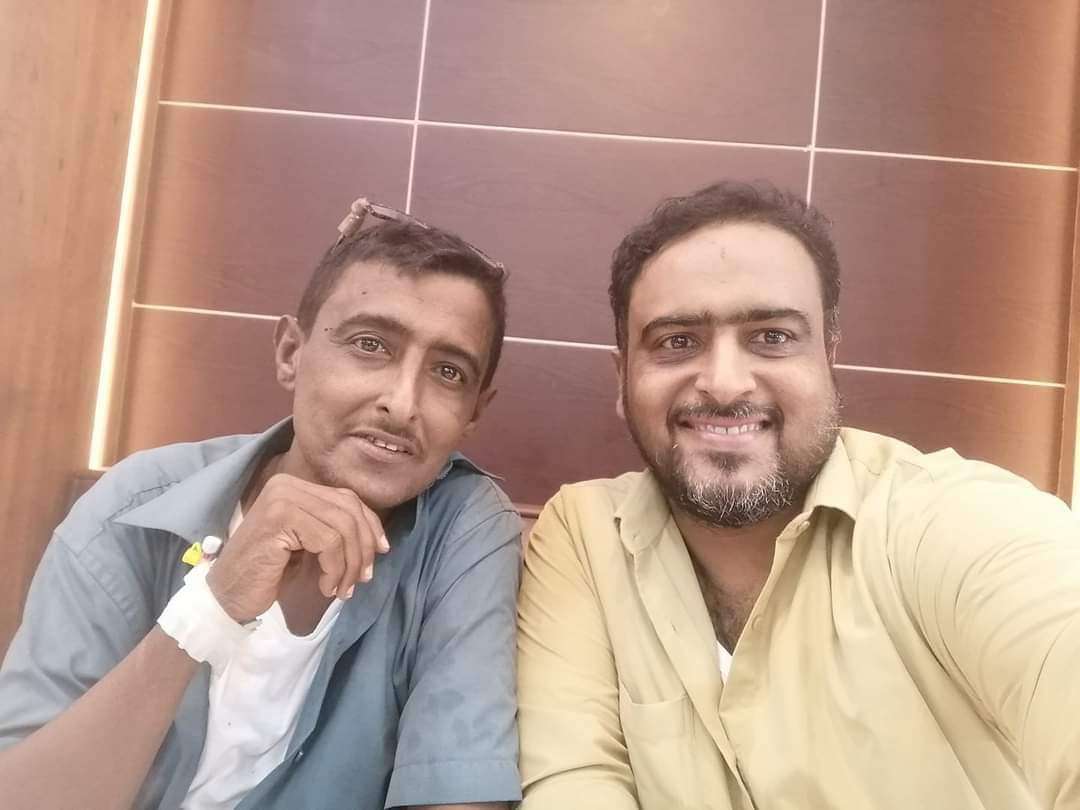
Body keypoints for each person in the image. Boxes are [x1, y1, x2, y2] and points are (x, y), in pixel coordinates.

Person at [517, 181, 1080, 809]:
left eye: (772, 336)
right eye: (677, 341)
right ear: (622, 379)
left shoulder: (948, 518)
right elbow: (573, 782)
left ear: (828, 360)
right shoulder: (587, 535)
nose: (725, 384)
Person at [0, 198, 522, 810]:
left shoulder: (463, 530)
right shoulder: (135, 507)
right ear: (290, 353)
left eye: (449, 373)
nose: (403, 403)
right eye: (370, 344)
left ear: (474, 412)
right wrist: (209, 610)